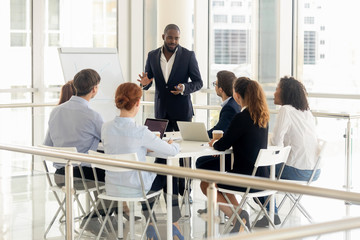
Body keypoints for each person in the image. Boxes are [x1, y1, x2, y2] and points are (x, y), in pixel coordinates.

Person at [101, 82, 184, 240]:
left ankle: (151, 224)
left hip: (113, 187)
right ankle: (174, 223)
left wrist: (142, 148)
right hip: (135, 188)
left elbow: (120, 147)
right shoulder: (140, 132)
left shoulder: (106, 127)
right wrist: (173, 144)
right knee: (167, 170)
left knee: (151, 175)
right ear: (138, 103)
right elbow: (172, 152)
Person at [138, 23, 203, 196]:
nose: (173, 41)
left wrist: (184, 88)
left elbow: (198, 82)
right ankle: (159, 188)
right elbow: (147, 80)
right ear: (163, 37)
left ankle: (185, 191)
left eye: (176, 38)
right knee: (158, 150)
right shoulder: (152, 56)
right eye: (170, 37)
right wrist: (144, 84)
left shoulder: (188, 55)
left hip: (182, 111)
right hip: (161, 112)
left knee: (184, 154)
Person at [200, 77, 270, 234]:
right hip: (263, 178)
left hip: (245, 178)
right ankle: (240, 217)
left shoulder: (242, 117)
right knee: (223, 178)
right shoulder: (263, 116)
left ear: (237, 96)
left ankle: (238, 217)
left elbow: (223, 144)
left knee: (206, 183)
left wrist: (214, 143)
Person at [255, 76, 320, 227]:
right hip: (314, 171)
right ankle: (271, 211)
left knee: (259, 169)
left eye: (277, 89)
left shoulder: (286, 110)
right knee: (264, 169)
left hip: (297, 171)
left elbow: (276, 142)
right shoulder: (306, 112)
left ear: (286, 93)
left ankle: (272, 213)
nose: (274, 93)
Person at [196, 70, 240, 173]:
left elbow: (219, 130)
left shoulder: (230, 107)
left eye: (215, 84)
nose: (214, 86)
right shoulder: (233, 104)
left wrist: (200, 135)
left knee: (201, 162)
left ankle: (215, 188)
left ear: (220, 90)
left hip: (231, 156)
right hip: (232, 151)